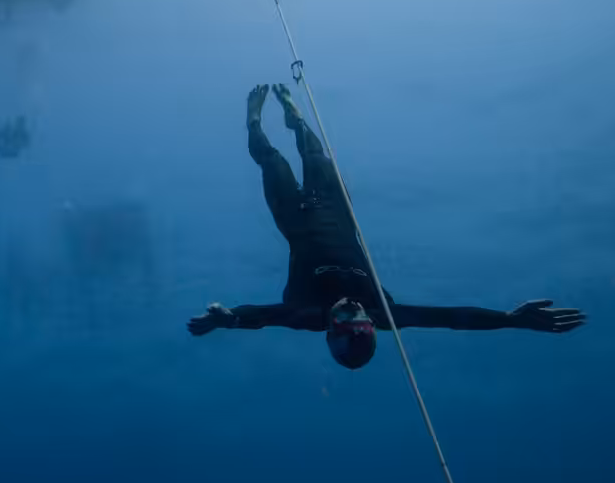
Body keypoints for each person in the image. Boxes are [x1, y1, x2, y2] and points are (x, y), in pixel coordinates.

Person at [186, 84, 586, 369]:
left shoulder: (306, 314)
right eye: (361, 320)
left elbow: (263, 316)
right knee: (314, 153)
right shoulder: (382, 312)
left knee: (271, 160)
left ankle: (254, 117)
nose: (352, 309)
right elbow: (447, 318)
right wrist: (509, 319)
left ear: (330, 330)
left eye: (345, 321)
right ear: (370, 324)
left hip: (293, 217)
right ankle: (295, 116)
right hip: (337, 211)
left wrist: (229, 318)